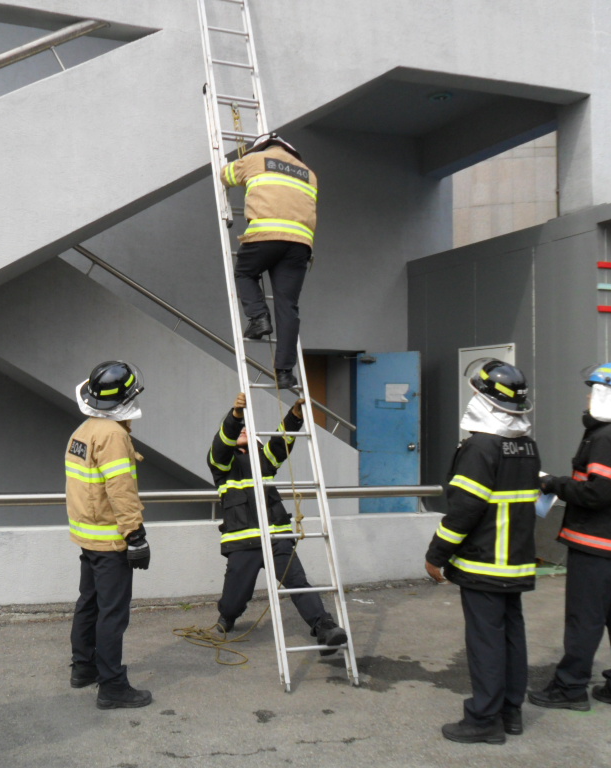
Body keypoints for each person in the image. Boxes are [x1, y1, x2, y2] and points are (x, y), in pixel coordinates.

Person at [425, 359, 540, 745]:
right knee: (511, 638)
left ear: (485, 400)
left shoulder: (480, 447)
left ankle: (484, 720)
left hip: (484, 562)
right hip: (515, 563)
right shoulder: (526, 445)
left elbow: (464, 509)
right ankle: (510, 713)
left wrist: (436, 554)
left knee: (486, 643)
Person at [528, 362, 611, 716]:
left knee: (585, 617)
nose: (587, 398)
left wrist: (554, 484)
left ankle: (570, 687)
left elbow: (599, 492)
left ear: (609, 395)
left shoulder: (607, 437)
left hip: (597, 544)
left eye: (593, 391)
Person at [208, 392, 346, 652]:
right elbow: (221, 445)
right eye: (240, 429)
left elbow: (280, 444)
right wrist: (235, 416)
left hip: (277, 538)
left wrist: (295, 416)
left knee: (298, 582)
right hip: (243, 542)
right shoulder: (221, 465)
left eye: (247, 429)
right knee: (235, 599)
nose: (244, 429)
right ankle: (227, 615)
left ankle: (325, 628)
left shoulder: (264, 460)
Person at [66, 360, 152, 709]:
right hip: (110, 540)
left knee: (88, 604)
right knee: (112, 614)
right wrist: (135, 535)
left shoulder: (84, 431)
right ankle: (112, 685)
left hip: (88, 537)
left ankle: (83, 668)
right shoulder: (113, 435)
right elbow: (120, 489)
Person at [220, 132, 318, 390]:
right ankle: (285, 373)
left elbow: (225, 176)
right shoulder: (309, 173)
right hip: (300, 244)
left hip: (265, 236)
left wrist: (238, 162)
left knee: (245, 273)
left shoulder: (256, 160)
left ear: (263, 146)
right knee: (288, 306)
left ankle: (259, 318)